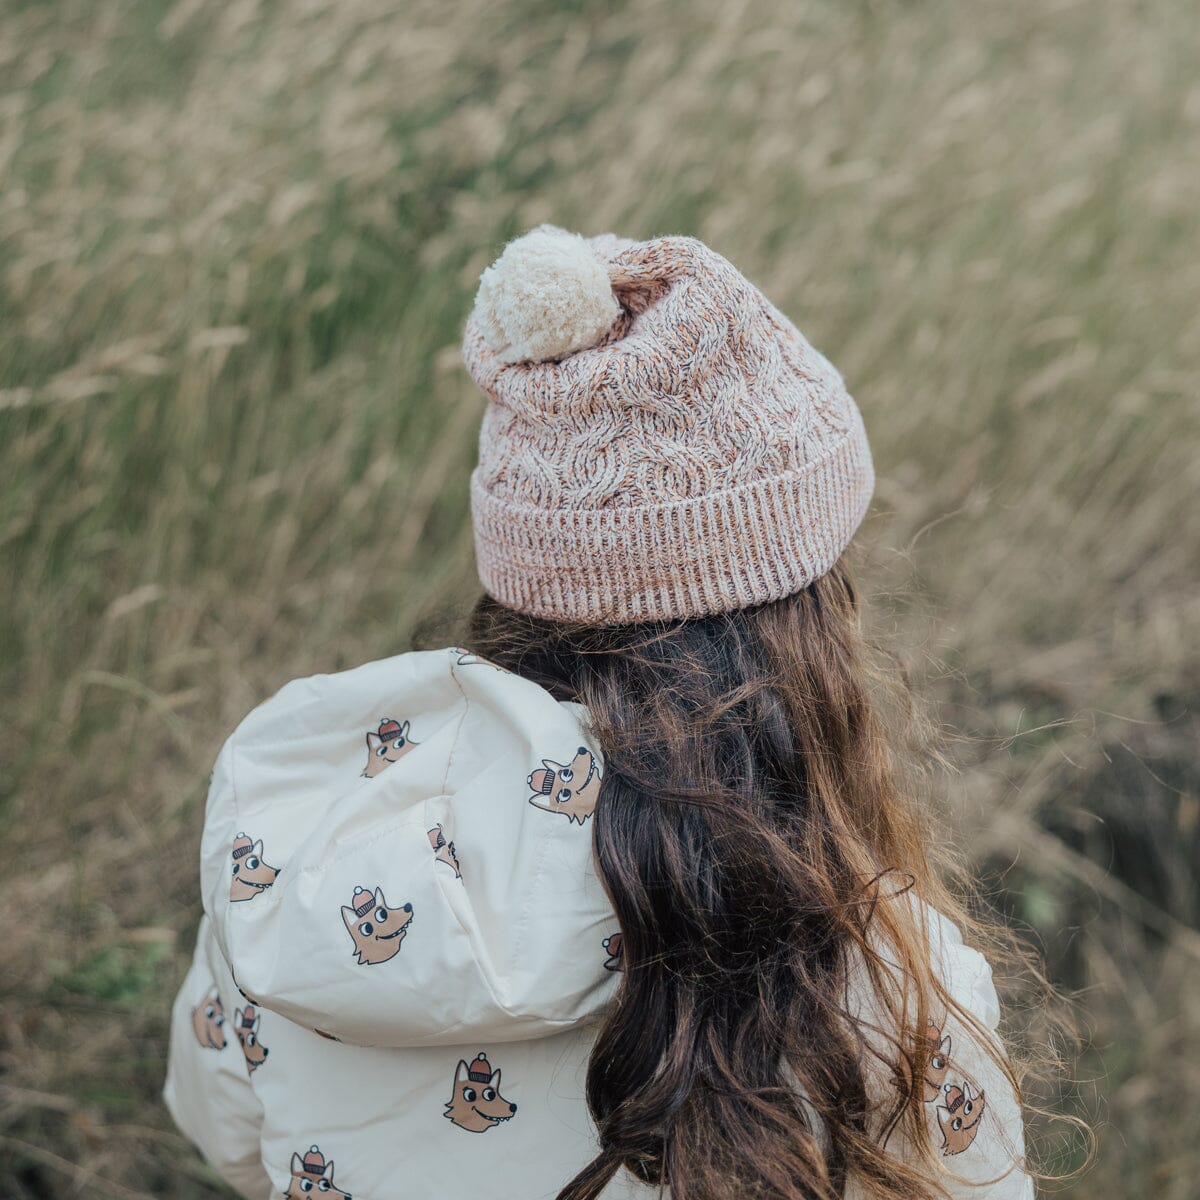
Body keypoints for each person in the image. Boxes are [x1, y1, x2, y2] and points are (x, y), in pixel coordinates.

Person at [166, 227, 1039, 1199]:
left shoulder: (302, 846)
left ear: (522, 570)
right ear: (810, 625)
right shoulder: (891, 978)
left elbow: (229, 1131)